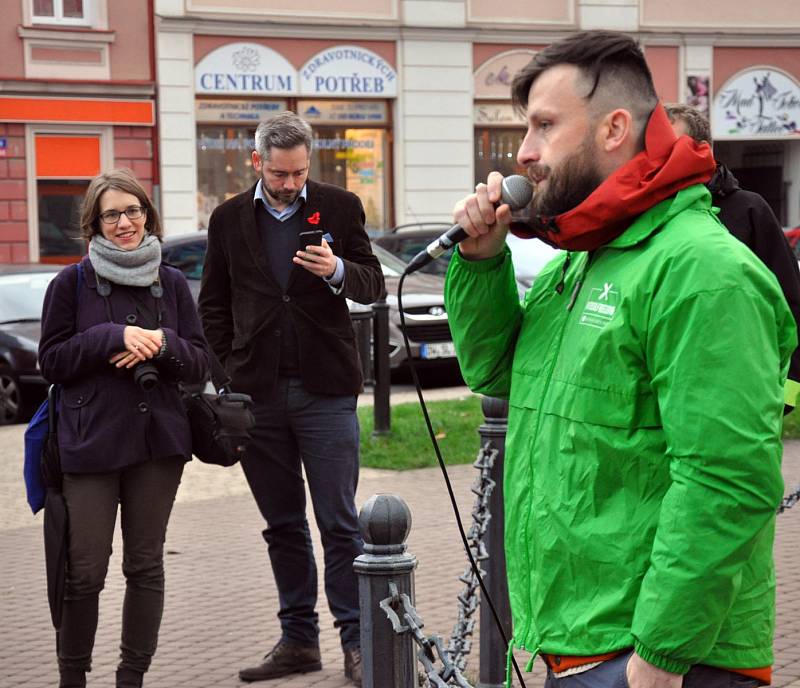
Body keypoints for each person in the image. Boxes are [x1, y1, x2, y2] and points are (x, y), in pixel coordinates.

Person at [444, 31, 794, 688]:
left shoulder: (702, 271)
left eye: (545, 125)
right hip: (580, 643)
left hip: (667, 659)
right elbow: (496, 374)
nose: (522, 152)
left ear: (613, 128)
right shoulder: (581, 257)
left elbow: (727, 480)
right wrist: (481, 261)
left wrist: (657, 663)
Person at [199, 111, 384, 685]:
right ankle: (299, 642)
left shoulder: (341, 206)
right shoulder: (228, 219)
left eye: (300, 172)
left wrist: (336, 272)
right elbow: (213, 305)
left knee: (339, 523)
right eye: (280, 174)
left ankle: (357, 645)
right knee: (282, 523)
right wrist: (229, 374)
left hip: (324, 390)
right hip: (257, 396)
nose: (290, 184)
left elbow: (373, 283)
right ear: (258, 162)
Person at [38, 169, 210, 688]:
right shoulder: (71, 282)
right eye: (112, 214)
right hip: (89, 445)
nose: (125, 222)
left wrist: (160, 343)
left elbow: (201, 363)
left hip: (157, 446)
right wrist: (111, 334)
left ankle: (130, 677)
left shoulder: (173, 281)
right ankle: (73, 677)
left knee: (145, 565)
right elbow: (51, 360)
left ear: (147, 215)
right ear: (95, 223)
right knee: (84, 571)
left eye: (133, 211)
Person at [666, 103, 800, 412]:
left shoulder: (750, 211)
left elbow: (791, 302)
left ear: (703, 151)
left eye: (671, 148)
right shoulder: (646, 217)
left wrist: (783, 400)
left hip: (739, 400)